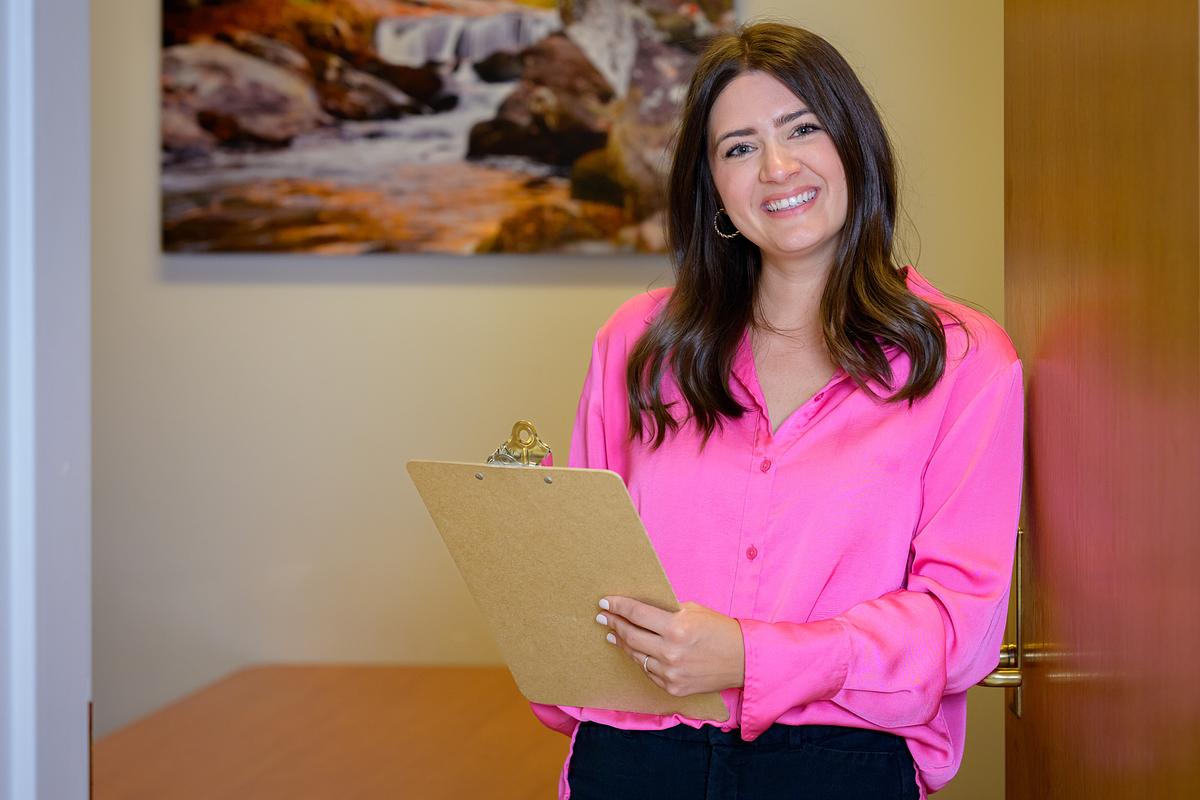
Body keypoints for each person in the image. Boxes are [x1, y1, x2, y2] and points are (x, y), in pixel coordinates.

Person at [532, 21, 1023, 800]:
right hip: (632, 759)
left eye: (803, 129)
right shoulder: (636, 344)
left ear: (853, 145)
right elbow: (572, 584)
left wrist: (752, 659)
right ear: (714, 187)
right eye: (738, 148)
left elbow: (959, 630)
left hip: (838, 766)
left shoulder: (966, 360)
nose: (777, 167)